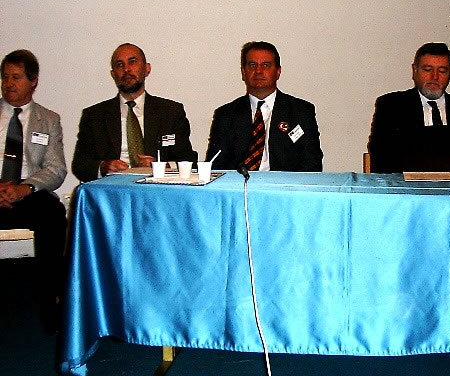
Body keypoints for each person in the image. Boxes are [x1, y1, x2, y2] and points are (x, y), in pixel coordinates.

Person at [0, 49, 67, 331]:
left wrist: (25, 188)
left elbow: (56, 169)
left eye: (16, 77)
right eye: (5, 77)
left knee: (53, 215)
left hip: (29, 194)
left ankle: (51, 303)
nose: (8, 84)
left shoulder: (48, 119)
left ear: (34, 81)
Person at [72, 43, 197, 182]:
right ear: (113, 74)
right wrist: (103, 167)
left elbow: (189, 160)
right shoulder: (94, 115)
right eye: (119, 65)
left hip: (157, 187)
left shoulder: (170, 112)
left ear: (147, 69)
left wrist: (161, 166)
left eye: (132, 62)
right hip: (112, 187)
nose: (126, 69)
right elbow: (80, 165)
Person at [368, 42, 450, 174]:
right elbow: (382, 158)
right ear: (415, 70)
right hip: (407, 185)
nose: (435, 77)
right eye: (427, 69)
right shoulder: (391, 106)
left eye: (442, 71)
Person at [206, 41, 323, 172]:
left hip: (284, 184)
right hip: (239, 183)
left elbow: (312, 163)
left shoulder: (301, 112)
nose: (258, 71)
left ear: (278, 72)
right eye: (252, 65)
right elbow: (216, 166)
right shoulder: (225, 115)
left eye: (266, 65)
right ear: (244, 72)